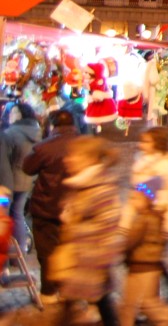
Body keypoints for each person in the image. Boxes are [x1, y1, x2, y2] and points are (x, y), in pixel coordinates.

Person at [53, 136, 123, 326]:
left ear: (89, 159)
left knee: (77, 304)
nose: (67, 159)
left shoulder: (100, 187)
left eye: (73, 156)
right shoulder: (82, 185)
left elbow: (109, 227)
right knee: (99, 301)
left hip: (90, 259)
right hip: (82, 258)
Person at [128, 126, 168, 312]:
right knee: (150, 259)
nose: (141, 145)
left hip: (161, 219)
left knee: (152, 260)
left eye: (146, 141)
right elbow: (136, 194)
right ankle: (154, 299)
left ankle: (154, 301)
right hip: (144, 218)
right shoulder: (142, 163)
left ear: (158, 143)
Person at [23, 109, 78, 302]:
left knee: (47, 252)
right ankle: (68, 289)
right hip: (74, 209)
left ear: (53, 126)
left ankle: (48, 291)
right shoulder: (84, 145)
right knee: (70, 249)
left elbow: (27, 168)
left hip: (46, 207)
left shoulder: (45, 147)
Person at [118, 175, 168, 326]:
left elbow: (130, 241)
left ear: (146, 200)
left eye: (135, 198)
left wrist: (118, 249)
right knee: (130, 303)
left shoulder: (144, 220)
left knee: (144, 302)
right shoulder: (153, 218)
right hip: (142, 266)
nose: (132, 201)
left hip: (143, 266)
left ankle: (166, 320)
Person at [0, 102, 42, 252]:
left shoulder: (11, 133)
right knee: (17, 214)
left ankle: (7, 255)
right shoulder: (37, 131)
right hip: (27, 181)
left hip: (7, 184)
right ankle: (20, 251)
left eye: (13, 113)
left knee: (4, 217)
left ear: (20, 115)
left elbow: (4, 161)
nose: (10, 116)